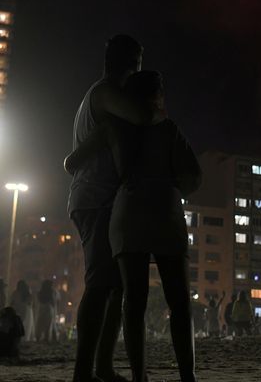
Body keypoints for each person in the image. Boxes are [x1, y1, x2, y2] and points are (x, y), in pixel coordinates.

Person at [67, 70, 201, 381]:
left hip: (126, 210)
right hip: (165, 208)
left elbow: (71, 163)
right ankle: (187, 376)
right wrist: (170, 186)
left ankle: (139, 376)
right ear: (158, 96)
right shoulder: (168, 129)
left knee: (133, 300)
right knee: (179, 300)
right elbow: (193, 176)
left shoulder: (114, 127)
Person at [67, 35, 162, 382]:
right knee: (99, 284)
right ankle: (86, 372)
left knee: (115, 285)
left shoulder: (100, 96)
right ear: (132, 63)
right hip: (96, 198)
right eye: (138, 61)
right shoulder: (106, 93)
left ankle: (101, 367)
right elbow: (141, 116)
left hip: (97, 198)